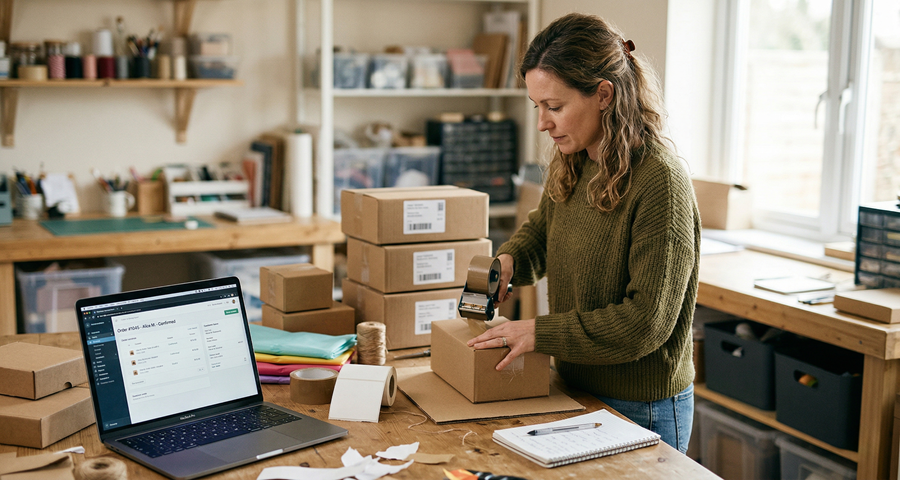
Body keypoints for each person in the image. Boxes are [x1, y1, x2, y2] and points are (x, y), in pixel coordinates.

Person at [467, 12, 701, 454]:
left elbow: (645, 324)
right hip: (576, 385)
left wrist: (538, 333)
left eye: (554, 107)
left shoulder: (660, 181)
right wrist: (510, 261)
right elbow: (544, 227)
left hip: (641, 405)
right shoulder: (575, 157)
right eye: (537, 106)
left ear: (604, 95)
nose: (542, 122)